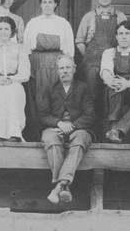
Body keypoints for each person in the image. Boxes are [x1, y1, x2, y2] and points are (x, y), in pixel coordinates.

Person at [39, 54, 94, 204]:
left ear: (74, 69)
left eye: (68, 67)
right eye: (61, 68)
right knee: (49, 138)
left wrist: (72, 126)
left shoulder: (83, 88)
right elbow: (43, 115)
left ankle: (58, 188)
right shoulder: (50, 89)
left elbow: (89, 115)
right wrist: (58, 123)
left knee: (81, 139)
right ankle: (64, 186)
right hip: (55, 128)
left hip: (78, 128)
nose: (65, 71)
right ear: (57, 71)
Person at [75, 0, 127, 137]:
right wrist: (91, 56)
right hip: (92, 63)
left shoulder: (120, 16)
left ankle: (110, 130)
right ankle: (91, 131)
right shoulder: (89, 17)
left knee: (112, 93)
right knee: (92, 95)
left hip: (113, 61)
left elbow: (125, 40)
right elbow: (79, 41)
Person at [23, 0, 75, 142]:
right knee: (38, 95)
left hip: (57, 61)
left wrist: (65, 65)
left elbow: (69, 49)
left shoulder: (63, 23)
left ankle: (56, 128)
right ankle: (38, 130)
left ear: (56, 4)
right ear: (40, 4)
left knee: (56, 93)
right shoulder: (33, 22)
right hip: (37, 62)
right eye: (44, 2)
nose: (47, 5)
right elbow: (27, 47)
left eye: (50, 2)